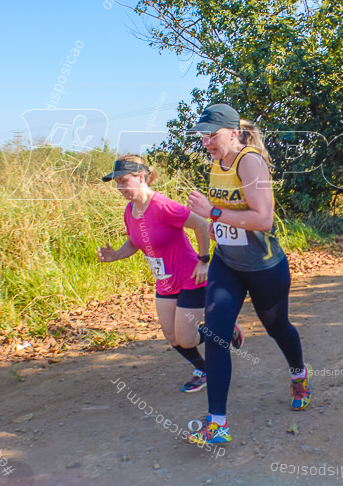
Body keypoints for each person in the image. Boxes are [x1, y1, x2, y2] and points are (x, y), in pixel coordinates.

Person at [184, 104, 310, 446]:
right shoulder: (215, 163)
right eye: (203, 135)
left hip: (264, 266)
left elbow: (263, 219)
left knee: (276, 327)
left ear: (233, 132)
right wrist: (214, 225)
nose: (206, 141)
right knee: (215, 334)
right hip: (228, 264)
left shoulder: (249, 161)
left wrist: (213, 212)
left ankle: (299, 373)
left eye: (212, 134)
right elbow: (225, 215)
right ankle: (217, 423)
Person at [98, 155, 243, 393]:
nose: (120, 188)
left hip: (190, 277)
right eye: (117, 183)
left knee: (186, 338)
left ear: (141, 177)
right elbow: (134, 242)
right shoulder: (130, 210)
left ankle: (224, 328)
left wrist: (203, 261)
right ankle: (204, 369)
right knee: (171, 336)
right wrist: (115, 255)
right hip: (164, 281)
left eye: (124, 181)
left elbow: (200, 225)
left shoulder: (162, 205)